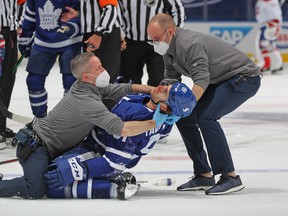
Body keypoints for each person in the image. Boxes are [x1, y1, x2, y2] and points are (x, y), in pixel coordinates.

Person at [0, 52, 172, 199]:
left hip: (48, 147)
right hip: (37, 147)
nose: (104, 70)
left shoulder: (88, 86)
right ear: (87, 77)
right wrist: (155, 122)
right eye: (99, 68)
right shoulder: (87, 102)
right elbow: (122, 128)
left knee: (56, 177)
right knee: (36, 189)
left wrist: (153, 91)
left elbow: (125, 88)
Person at [147, 13, 262, 195]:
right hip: (221, 80)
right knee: (184, 118)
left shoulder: (189, 44)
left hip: (244, 78)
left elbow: (201, 80)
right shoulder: (168, 49)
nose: (154, 44)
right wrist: (164, 102)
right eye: (151, 40)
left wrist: (185, 106)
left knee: (206, 117)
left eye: (156, 39)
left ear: (169, 31)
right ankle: (203, 174)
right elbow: (171, 79)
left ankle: (230, 177)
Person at [44, 79, 195, 200]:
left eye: (166, 92)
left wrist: (80, 170)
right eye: (166, 84)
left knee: (51, 185)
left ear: (165, 107)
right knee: (48, 172)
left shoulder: (142, 121)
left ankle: (114, 188)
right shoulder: (146, 102)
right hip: (92, 145)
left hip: (101, 156)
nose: (162, 86)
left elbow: (114, 163)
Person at [18, 0, 82, 118]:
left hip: (70, 42)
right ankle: (40, 120)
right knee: (33, 81)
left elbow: (82, 12)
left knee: (71, 82)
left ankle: (68, 120)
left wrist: (71, 27)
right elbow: (31, 15)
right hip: (43, 42)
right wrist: (25, 37)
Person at [118, 0, 185, 87]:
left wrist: (174, 35)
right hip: (131, 44)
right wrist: (121, 35)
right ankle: (133, 101)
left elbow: (178, 10)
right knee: (130, 83)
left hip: (158, 44)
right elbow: (116, 12)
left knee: (159, 81)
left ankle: (155, 101)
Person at [60, 0, 122, 83]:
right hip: (93, 33)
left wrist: (99, 34)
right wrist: (79, 14)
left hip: (104, 34)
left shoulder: (100, 33)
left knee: (105, 76)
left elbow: (110, 9)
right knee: (92, 75)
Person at [0, 0, 25, 149]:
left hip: (9, 34)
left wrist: (19, 24)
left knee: (7, 80)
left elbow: (22, 3)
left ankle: (1, 125)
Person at [255, 0, 283, 73]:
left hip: (269, 26)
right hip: (264, 26)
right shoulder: (261, 2)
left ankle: (278, 64)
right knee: (264, 46)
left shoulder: (271, 2)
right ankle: (267, 64)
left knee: (269, 46)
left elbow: (276, 18)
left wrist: (273, 27)